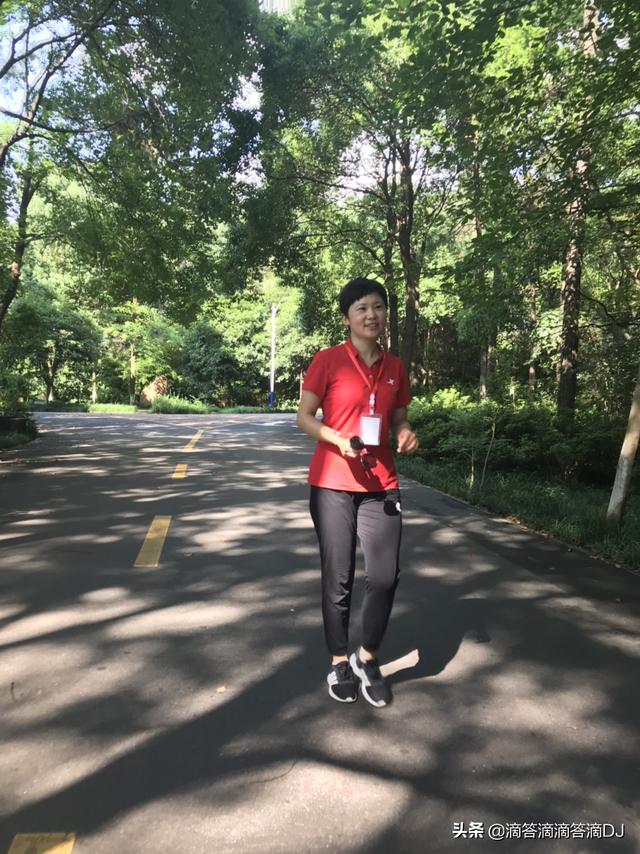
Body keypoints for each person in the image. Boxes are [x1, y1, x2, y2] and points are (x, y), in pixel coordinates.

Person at [296, 277, 419, 708]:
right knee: (339, 577)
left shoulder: (395, 367)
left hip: (381, 484)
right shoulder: (327, 360)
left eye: (378, 307)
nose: (372, 315)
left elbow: (399, 417)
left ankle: (366, 658)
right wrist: (337, 438)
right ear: (346, 317)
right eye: (362, 308)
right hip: (332, 481)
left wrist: (405, 432)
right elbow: (304, 417)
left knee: (385, 576)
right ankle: (338, 662)